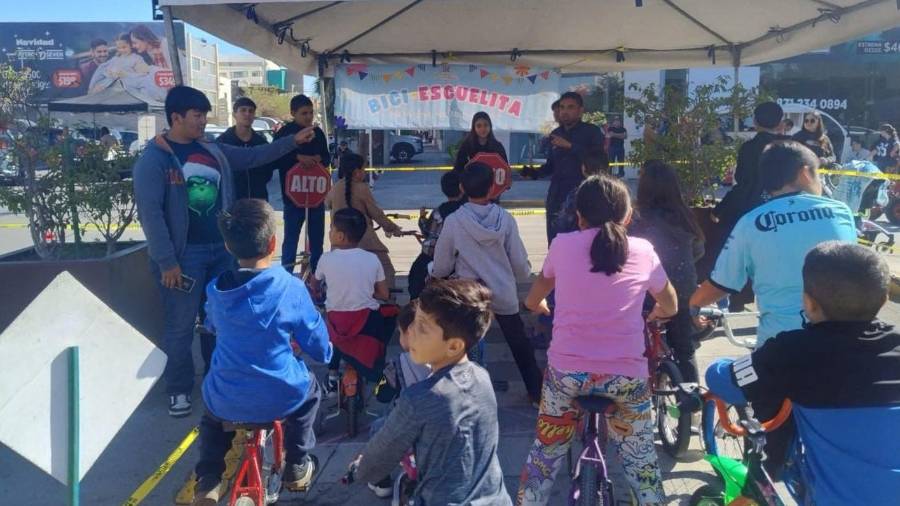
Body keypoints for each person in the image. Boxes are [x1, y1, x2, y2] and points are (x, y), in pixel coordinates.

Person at [133, 85, 317, 417]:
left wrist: (291, 141)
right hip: (183, 256)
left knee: (219, 321)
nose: (203, 121)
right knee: (180, 324)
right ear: (176, 117)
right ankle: (178, 388)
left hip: (222, 250)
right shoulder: (155, 159)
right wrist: (167, 261)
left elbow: (252, 157)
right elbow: (151, 214)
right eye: (197, 115)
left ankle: (216, 379)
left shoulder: (212, 149)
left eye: (204, 115)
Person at [518, 175, 676, 506]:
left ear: (579, 216)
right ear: (628, 217)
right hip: (627, 378)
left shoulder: (562, 245)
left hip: (567, 376)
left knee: (545, 456)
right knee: (641, 461)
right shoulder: (644, 251)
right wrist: (654, 313)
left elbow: (533, 300)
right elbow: (670, 303)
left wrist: (543, 307)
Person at [705, 242, 900, 503]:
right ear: (884, 299)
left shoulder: (790, 351)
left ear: (808, 303)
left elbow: (725, 381)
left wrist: (721, 366)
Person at [191, 199, 332, 505]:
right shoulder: (290, 287)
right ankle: (296, 463)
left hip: (227, 396)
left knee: (212, 423)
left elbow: (212, 325)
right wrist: (325, 353)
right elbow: (316, 342)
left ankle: (209, 479)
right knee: (310, 393)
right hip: (281, 395)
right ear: (273, 242)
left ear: (228, 247)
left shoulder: (216, 290)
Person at [350, 279, 513, 506]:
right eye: (414, 323)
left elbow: (380, 455)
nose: (411, 333)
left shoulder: (420, 398)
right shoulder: (481, 377)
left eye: (423, 328)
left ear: (454, 346)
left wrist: (359, 470)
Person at [690, 141, 857, 346]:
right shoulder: (841, 212)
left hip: (778, 346)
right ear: (805, 173)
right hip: (842, 341)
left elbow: (721, 285)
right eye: (819, 174)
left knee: (718, 373)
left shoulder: (751, 222)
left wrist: (691, 306)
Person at [432, 162, 544, 404]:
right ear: (493, 187)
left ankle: (468, 397)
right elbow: (521, 266)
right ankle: (537, 393)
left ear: (462, 187)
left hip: (469, 294)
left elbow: (441, 265)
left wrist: (436, 273)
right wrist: (522, 277)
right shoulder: (505, 219)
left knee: (466, 346)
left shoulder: (454, 221)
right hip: (502, 291)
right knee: (519, 344)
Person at [629, 161, 705, 382]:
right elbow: (698, 251)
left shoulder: (637, 220)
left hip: (647, 291)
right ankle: (691, 401)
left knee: (635, 339)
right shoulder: (685, 216)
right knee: (685, 348)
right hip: (683, 287)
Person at [312, 207, 391, 394]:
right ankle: (376, 371)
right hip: (366, 321)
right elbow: (384, 294)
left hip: (337, 320)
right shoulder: (372, 259)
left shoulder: (326, 259)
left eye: (331, 229)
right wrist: (368, 293)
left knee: (332, 331)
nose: (329, 232)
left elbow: (315, 284)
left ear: (340, 236)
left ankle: (332, 374)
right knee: (386, 319)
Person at [368, 301, 432, 498]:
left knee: (378, 429)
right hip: (441, 422)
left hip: (407, 424)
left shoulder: (398, 364)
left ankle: (380, 480)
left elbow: (383, 395)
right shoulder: (448, 358)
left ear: (406, 334)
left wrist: (380, 381)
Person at [325, 152, 402, 288]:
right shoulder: (362, 188)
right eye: (363, 169)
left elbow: (327, 203)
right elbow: (376, 213)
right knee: (386, 270)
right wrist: (392, 228)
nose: (365, 173)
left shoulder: (335, 188)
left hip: (339, 242)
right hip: (364, 240)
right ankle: (388, 302)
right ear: (356, 172)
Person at [274, 94, 331, 274]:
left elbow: (327, 158)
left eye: (311, 113)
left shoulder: (318, 133)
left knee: (317, 241)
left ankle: (317, 278)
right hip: (292, 199)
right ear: (293, 113)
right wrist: (298, 158)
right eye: (304, 113)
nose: (308, 117)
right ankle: (287, 276)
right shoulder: (284, 134)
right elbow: (276, 157)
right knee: (290, 240)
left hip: (315, 198)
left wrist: (317, 158)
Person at [713, 101, 790, 229]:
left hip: (752, 210)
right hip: (785, 212)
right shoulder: (791, 147)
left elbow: (744, 183)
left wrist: (720, 209)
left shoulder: (749, 148)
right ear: (780, 123)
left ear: (755, 121)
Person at [542, 92, 607, 243]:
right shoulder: (555, 134)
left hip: (583, 197)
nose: (565, 111)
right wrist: (529, 172)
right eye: (562, 107)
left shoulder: (592, 132)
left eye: (570, 107)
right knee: (556, 242)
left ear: (580, 110)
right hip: (557, 197)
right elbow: (550, 166)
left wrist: (570, 146)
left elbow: (599, 162)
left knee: (583, 245)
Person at [407, 170, 464, 299]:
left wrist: (422, 218)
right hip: (458, 258)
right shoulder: (466, 212)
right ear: (462, 188)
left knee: (415, 279)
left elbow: (427, 232)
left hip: (432, 256)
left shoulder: (438, 212)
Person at [216, 97, 273, 201]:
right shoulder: (223, 142)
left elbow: (268, 173)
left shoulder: (261, 143)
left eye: (251, 111)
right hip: (232, 202)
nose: (247, 114)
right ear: (234, 114)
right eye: (243, 110)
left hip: (258, 201)